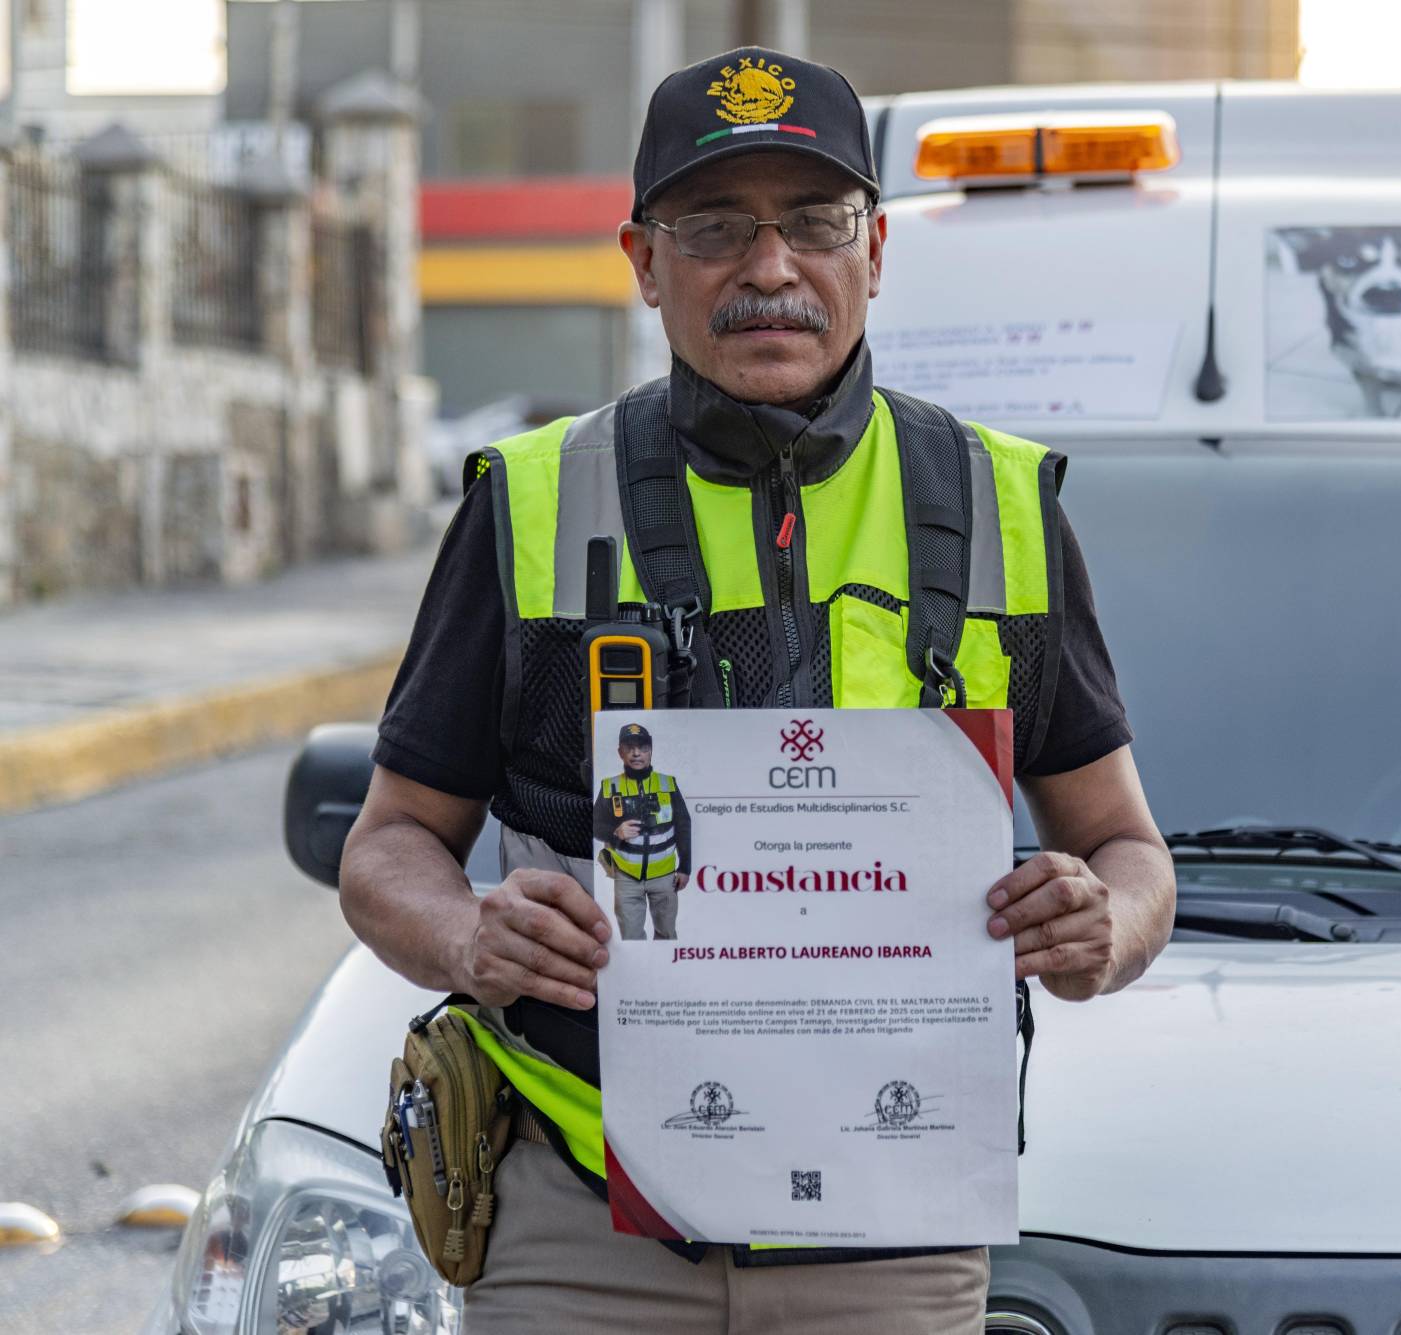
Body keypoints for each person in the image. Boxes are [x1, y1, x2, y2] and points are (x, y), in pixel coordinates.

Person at [339, 44, 1176, 1334]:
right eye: (716, 226)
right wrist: (465, 936)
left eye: (813, 223)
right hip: (580, 1219)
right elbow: (390, 843)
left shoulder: (1001, 506)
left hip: (893, 1231)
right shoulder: (529, 502)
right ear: (642, 261)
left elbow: (1125, 850)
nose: (769, 269)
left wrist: (1101, 927)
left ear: (876, 251)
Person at [593, 722, 690, 940]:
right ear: (621, 752)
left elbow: (684, 826)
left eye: (643, 747)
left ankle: (665, 975)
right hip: (627, 877)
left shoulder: (668, 784)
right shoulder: (610, 787)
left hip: (665, 877)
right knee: (631, 939)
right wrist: (615, 832)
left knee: (666, 936)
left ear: (651, 751)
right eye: (630, 747)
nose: (637, 753)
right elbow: (595, 826)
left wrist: (685, 867)